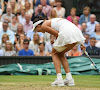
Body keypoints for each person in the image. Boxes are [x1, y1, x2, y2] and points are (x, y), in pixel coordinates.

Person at [33, 17, 86, 86]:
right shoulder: (53, 21)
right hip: (76, 32)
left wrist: (55, 41)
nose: (37, 31)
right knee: (60, 54)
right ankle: (69, 79)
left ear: (38, 26)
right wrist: (81, 43)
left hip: (67, 33)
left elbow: (57, 34)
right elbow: (63, 32)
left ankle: (59, 79)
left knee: (54, 53)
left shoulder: (43, 25)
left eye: (36, 29)